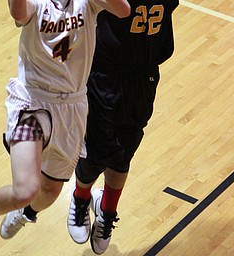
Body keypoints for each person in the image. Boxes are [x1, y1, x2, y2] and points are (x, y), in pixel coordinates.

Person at [0, 0, 130, 255]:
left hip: (72, 108)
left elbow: (123, 10)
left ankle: (25, 212)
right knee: (26, 188)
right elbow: (18, 13)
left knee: (49, 192)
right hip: (32, 102)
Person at [67, 0, 179, 254]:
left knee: (124, 151)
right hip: (104, 73)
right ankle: (80, 199)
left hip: (144, 76)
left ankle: (107, 210)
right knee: (95, 150)